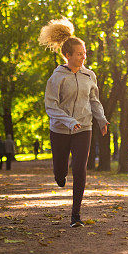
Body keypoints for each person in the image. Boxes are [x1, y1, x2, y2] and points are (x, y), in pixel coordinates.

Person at [39, 18, 109, 228]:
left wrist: (102, 119)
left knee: (80, 169)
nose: (83, 56)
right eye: (79, 54)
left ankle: (75, 215)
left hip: (83, 128)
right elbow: (51, 106)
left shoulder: (89, 76)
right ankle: (59, 175)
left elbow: (94, 101)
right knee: (61, 174)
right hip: (60, 130)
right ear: (67, 55)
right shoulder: (57, 77)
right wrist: (68, 121)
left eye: (84, 53)